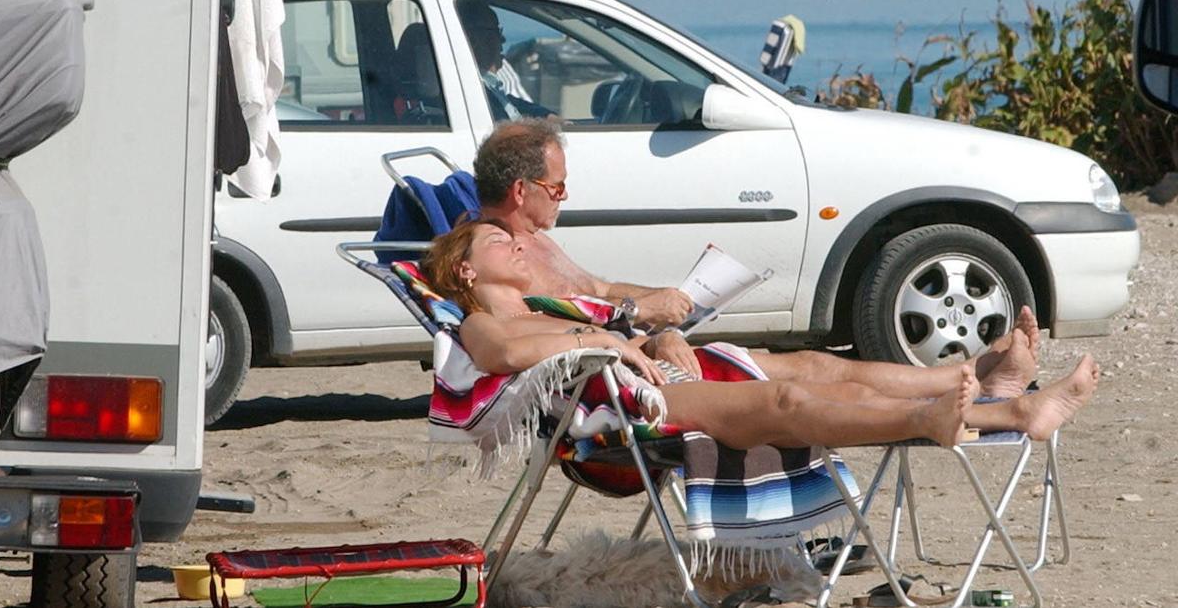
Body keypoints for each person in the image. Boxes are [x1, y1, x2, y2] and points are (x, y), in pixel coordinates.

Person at [473, 117, 1045, 392]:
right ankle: (973, 391)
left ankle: (971, 375)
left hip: (637, 353)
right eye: (557, 188)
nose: (566, 198)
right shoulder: (493, 252)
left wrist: (668, 303)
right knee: (803, 386)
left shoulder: (535, 243)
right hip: (613, 382)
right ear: (521, 191)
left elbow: (594, 292)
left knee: (813, 369)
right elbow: (526, 332)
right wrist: (634, 331)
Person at [420, 218, 1099, 449]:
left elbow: (623, 333)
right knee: (786, 405)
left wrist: (654, 339)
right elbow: (506, 356)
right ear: (463, 267)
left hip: (652, 376)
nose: (515, 246)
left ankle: (985, 380)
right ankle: (976, 412)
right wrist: (607, 344)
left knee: (815, 366)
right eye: (496, 244)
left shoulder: (551, 302)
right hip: (621, 411)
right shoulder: (481, 321)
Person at [458, 0, 551, 121]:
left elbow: (507, 101)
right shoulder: (467, 90)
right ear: (472, 39)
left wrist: (546, 115)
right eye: (496, 32)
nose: (503, 39)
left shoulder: (487, 84)